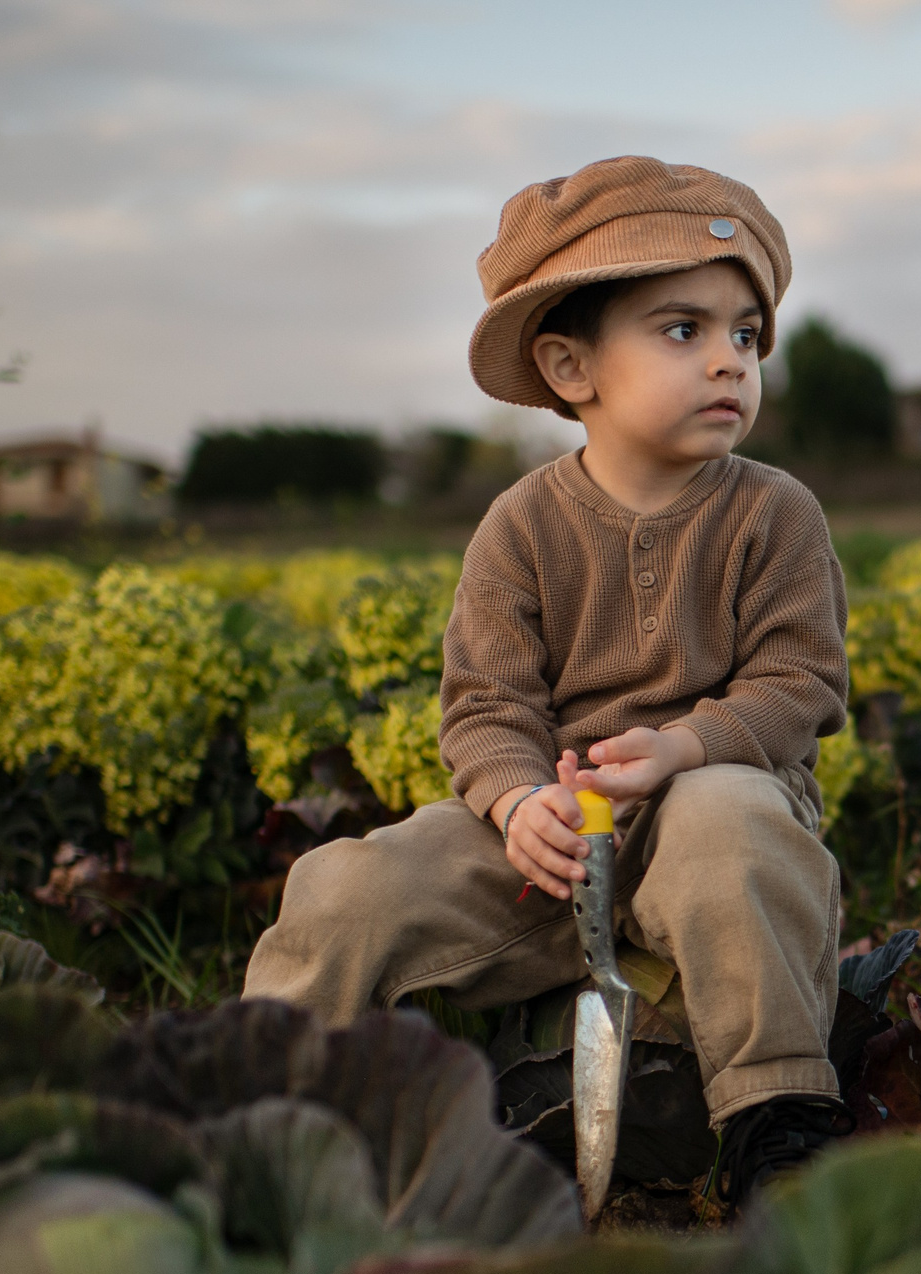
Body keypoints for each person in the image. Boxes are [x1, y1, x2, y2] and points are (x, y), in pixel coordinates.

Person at [241, 156, 851, 1202]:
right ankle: (257, 1113)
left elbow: (801, 680)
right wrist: (519, 802)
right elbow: (487, 705)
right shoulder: (520, 525)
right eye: (684, 330)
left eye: (747, 335)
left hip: (710, 813)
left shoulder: (774, 513)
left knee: (730, 826)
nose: (730, 361)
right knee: (344, 887)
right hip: (550, 836)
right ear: (572, 368)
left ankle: (777, 1118)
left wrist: (684, 746)